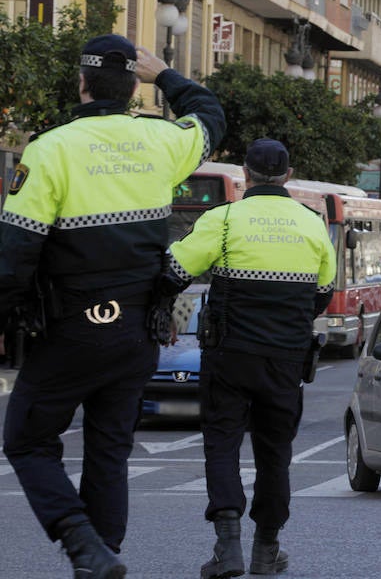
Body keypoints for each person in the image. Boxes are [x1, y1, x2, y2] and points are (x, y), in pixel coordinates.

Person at [0, 34, 225, 578]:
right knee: (109, 450)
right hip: (137, 333)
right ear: (132, 87)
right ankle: (103, 557)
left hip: (70, 327)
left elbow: (16, 250)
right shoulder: (161, 142)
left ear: (81, 83)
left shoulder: (50, 149)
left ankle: (80, 542)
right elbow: (211, 116)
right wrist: (166, 73)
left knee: (27, 439)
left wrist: (6, 322)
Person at [158, 138, 336, 579]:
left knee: (221, 445)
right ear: (288, 176)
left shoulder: (224, 218)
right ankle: (266, 549)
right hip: (285, 360)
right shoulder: (312, 224)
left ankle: (227, 547)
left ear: (245, 175)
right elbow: (323, 294)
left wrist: (161, 312)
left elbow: (174, 272)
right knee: (275, 455)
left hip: (229, 356)